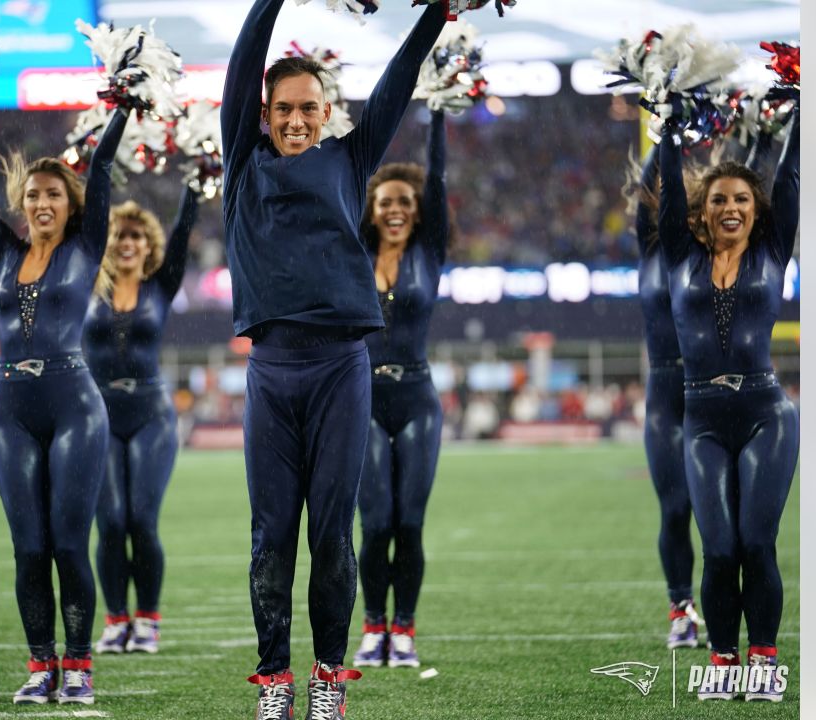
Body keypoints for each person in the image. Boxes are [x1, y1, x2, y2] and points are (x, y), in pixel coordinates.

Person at [221, 1, 446, 718]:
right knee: (271, 538)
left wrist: (439, 11)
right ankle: (274, 683)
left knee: (331, 531)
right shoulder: (241, 158)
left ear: (327, 113)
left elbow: (401, 78)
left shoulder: (351, 159)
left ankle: (326, 679)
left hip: (343, 368)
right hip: (272, 370)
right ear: (264, 112)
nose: (294, 121)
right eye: (283, 108)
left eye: (308, 109)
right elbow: (245, 56)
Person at [0, 107, 127, 705]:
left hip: (74, 403)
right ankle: (41, 666)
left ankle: (78, 665)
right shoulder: (4, 250)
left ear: (70, 204)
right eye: (33, 195)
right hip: (11, 408)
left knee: (70, 544)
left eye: (53, 194)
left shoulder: (87, 244)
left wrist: (124, 101)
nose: (42, 203)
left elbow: (99, 166)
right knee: (28, 548)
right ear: (22, 202)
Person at [657, 109, 800, 702]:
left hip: (768, 413)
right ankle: (722, 659)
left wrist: (803, 103)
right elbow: (666, 189)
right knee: (717, 547)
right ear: (703, 211)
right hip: (703, 420)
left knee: (755, 542)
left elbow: (790, 176)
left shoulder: (772, 252)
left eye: (742, 198)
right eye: (719, 200)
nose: (732, 207)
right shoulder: (678, 257)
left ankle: (763, 660)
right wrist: (664, 121)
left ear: (757, 210)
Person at [351, 110, 448, 669]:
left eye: (403, 202)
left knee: (408, 519)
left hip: (416, 398)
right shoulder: (353, 252)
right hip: (360, 397)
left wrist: (436, 111)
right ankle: (373, 628)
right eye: (384, 201)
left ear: (417, 212)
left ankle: (404, 630)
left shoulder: (428, 253)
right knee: (375, 518)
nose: (393, 209)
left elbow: (437, 178)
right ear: (371, 208)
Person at [85, 188, 200, 656]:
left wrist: (194, 182)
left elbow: (183, 230)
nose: (127, 242)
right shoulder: (85, 286)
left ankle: (148, 620)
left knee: (141, 519)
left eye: (136, 235)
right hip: (100, 415)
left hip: (152, 414)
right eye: (118, 234)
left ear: (149, 245)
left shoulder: (162, 284)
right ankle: (115, 620)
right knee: (110, 522)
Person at [627, 148, 701, 649]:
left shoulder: (715, 251)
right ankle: (681, 610)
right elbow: (648, 189)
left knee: (725, 520)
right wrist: (667, 125)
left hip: (709, 386)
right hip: (664, 390)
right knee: (675, 508)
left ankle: (725, 606)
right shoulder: (650, 246)